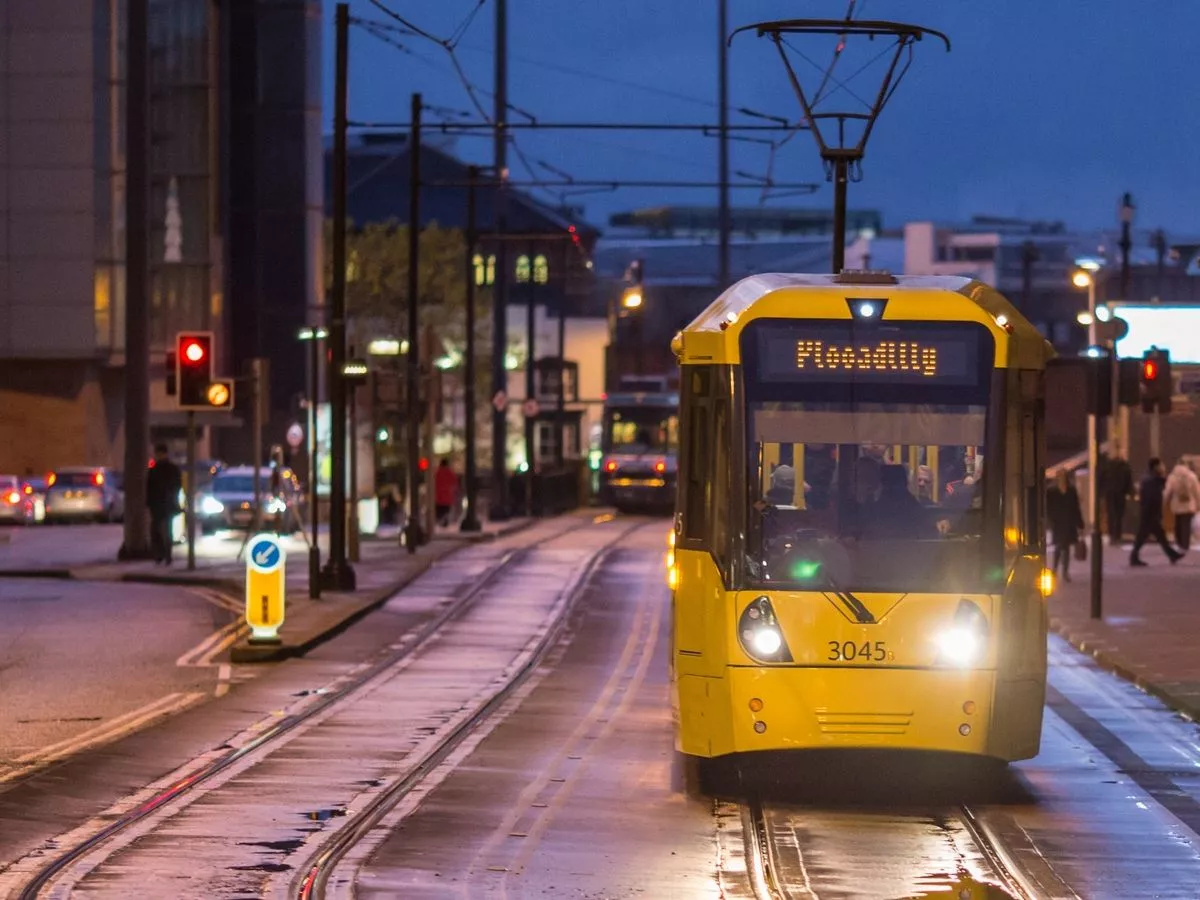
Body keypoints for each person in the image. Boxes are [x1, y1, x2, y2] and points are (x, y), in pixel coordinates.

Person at [1131, 457, 1182, 566]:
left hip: (1149, 513)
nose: (1163, 467)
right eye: (1161, 465)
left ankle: (1171, 554)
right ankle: (1171, 554)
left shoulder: (1150, 479)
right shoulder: (1151, 480)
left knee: (1155, 535)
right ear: (1155, 467)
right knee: (1146, 536)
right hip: (1150, 513)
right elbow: (1152, 498)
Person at [146, 444, 182, 565]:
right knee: (159, 530)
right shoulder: (157, 469)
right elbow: (149, 488)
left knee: (164, 530)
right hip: (161, 504)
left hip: (164, 504)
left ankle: (165, 554)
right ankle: (162, 554)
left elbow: (176, 486)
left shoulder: (161, 469)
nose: (159, 456)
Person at [1046, 470, 1084, 581]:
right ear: (1057, 478)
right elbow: (1048, 507)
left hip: (1069, 522)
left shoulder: (1071, 490)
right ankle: (1055, 570)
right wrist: (1051, 520)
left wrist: (1080, 523)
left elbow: (1076, 507)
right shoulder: (1051, 491)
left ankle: (1065, 572)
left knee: (1066, 547)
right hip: (1058, 523)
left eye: (1064, 476)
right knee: (1058, 546)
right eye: (1060, 476)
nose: (1062, 478)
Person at [1164, 456, 1200, 551]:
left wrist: (1164, 501)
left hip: (1176, 504)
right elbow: (1197, 492)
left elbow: (1168, 491)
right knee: (1186, 525)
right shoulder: (1192, 476)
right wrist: (1198, 503)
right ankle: (1185, 544)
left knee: (1178, 523)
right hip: (1189, 504)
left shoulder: (1172, 476)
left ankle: (1179, 543)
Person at [1101, 452, 1134, 547]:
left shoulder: (1107, 467)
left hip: (1110, 494)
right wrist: (1130, 493)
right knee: (1119, 515)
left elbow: (1101, 480)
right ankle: (1117, 535)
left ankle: (1112, 535)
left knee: (1111, 515)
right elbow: (1128, 482)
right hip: (1120, 494)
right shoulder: (1125, 467)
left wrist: (1102, 492)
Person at [435, 458, 459, 527]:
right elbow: (455, 484)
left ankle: (440, 521)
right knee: (446, 511)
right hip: (447, 497)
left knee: (439, 512)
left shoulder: (437, 472)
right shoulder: (450, 473)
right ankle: (445, 521)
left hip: (438, 497)